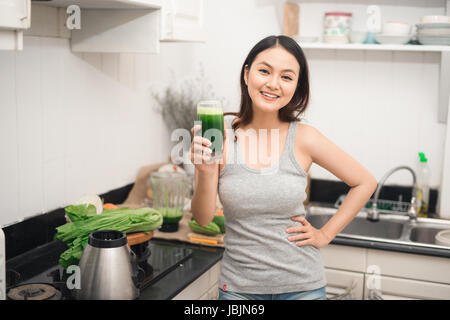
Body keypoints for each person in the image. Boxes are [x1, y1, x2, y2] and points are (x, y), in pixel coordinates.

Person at [189, 35, 377, 300]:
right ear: (247, 74)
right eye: (264, 71)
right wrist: (205, 172)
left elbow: (365, 182)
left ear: (296, 86)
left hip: (303, 288)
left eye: (286, 77)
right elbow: (203, 218)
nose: (273, 83)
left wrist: (324, 234)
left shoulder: (304, 137)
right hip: (239, 290)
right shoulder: (220, 134)